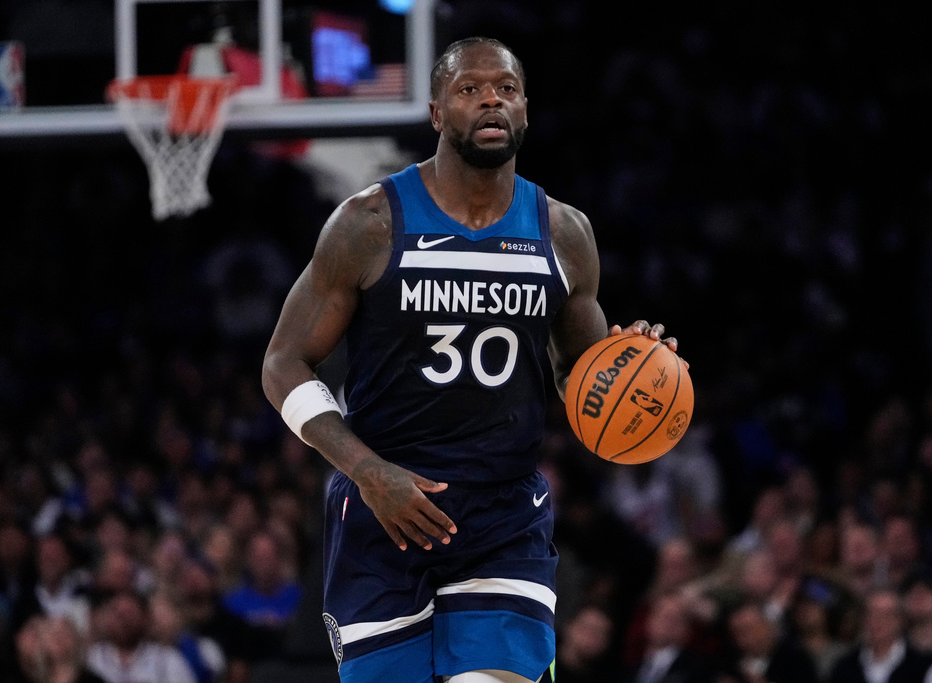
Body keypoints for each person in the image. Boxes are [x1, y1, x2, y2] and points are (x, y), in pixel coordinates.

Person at [261, 36, 681, 683]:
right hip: (383, 511)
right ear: (436, 112)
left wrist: (633, 367)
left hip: (502, 512)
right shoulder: (369, 223)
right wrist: (367, 470)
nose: (491, 99)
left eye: (506, 89)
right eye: (470, 89)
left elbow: (581, 377)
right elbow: (284, 363)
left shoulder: (564, 233)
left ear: (525, 111)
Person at [828, 589, 932, 683]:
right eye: (871, 613)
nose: (876, 621)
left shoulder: (922, 667)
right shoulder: (844, 668)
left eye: (885, 615)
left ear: (901, 620)